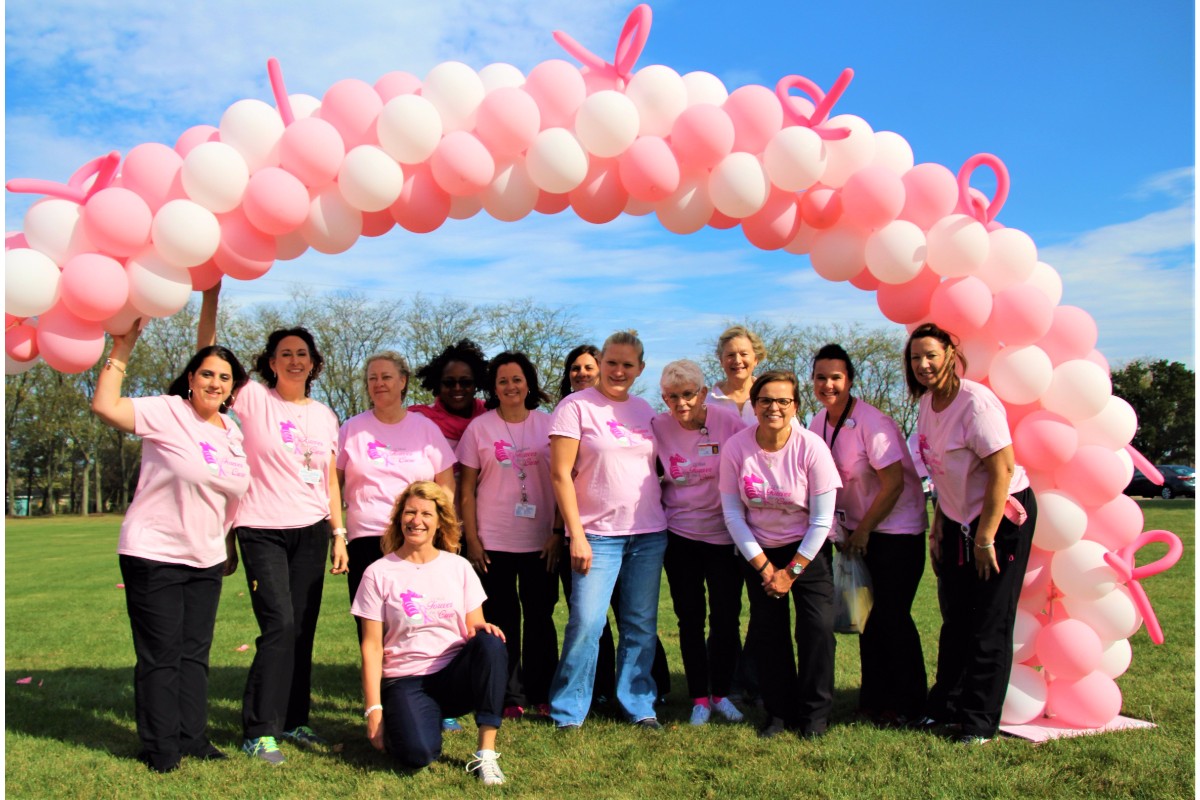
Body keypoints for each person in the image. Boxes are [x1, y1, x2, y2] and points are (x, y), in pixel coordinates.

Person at [199, 286, 348, 764]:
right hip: (261, 527)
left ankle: (295, 720)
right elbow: (207, 354)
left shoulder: (326, 415)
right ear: (270, 361)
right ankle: (259, 729)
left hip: (312, 530)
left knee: (302, 628)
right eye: (285, 353)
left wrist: (338, 532)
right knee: (279, 624)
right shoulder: (252, 398)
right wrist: (209, 302)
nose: (295, 360)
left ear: (314, 362)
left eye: (302, 353)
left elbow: (329, 477)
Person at [92, 323, 250, 772]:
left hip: (205, 557)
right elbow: (105, 405)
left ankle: (192, 737)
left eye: (223, 377)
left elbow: (228, 495)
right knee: (160, 654)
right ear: (190, 378)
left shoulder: (231, 431)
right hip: (154, 552)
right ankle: (160, 747)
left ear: (232, 387)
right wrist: (121, 350)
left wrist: (226, 546)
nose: (213, 383)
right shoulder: (167, 411)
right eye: (206, 374)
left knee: (195, 653)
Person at [905, 323, 1037, 745]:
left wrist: (985, 538)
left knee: (989, 621)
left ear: (949, 353)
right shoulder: (927, 403)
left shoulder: (977, 403)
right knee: (956, 618)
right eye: (915, 358)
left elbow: (1001, 469)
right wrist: (942, 523)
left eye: (931, 355)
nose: (923, 365)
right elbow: (942, 472)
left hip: (1001, 521)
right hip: (959, 520)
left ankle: (979, 722)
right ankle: (947, 705)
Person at [548, 330, 668, 729]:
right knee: (587, 621)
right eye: (612, 362)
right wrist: (576, 533)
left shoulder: (644, 409)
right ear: (601, 361)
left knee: (639, 624)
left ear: (640, 369)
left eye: (627, 365)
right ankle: (569, 708)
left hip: (648, 532)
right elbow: (560, 474)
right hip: (596, 534)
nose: (618, 371)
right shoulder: (574, 407)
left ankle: (638, 703)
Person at [353, 481, 510, 786]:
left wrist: (482, 630)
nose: (417, 520)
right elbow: (371, 647)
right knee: (417, 754)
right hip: (406, 680)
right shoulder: (378, 572)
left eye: (426, 513)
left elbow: (473, 627)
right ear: (400, 518)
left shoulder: (459, 567)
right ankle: (420, 719)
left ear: (439, 522)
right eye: (410, 512)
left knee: (491, 643)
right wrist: (374, 709)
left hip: (452, 675)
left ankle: (486, 753)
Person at [808, 344, 928, 726]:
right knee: (869, 622)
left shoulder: (872, 422)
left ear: (850, 381)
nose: (828, 385)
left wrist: (862, 531)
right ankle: (874, 702)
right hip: (855, 535)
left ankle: (909, 704)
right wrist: (840, 530)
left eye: (836, 377)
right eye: (821, 377)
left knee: (892, 618)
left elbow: (892, 485)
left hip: (895, 531)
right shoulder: (817, 422)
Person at [720, 370, 842, 739]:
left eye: (783, 401)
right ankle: (778, 712)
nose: (774, 407)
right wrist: (764, 566)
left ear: (795, 406)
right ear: (754, 406)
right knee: (768, 634)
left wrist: (790, 572)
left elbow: (822, 520)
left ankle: (815, 715)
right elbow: (732, 513)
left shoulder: (812, 448)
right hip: (758, 550)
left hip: (807, 549)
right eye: (766, 400)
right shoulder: (737, 448)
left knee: (817, 631)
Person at [458, 351, 559, 719]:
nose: (510, 386)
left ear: (528, 383)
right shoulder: (479, 429)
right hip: (493, 542)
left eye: (516, 379)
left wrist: (557, 533)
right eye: (502, 381)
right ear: (494, 387)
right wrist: (471, 539)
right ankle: (509, 695)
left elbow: (566, 482)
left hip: (541, 542)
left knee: (540, 619)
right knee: (502, 620)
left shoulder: (549, 424)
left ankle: (542, 690)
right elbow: (466, 490)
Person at [650, 360, 746, 726]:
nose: (682, 403)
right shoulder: (657, 426)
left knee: (725, 618)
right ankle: (699, 699)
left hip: (724, 537)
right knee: (690, 619)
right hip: (680, 537)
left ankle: (722, 693)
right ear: (664, 398)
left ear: (703, 393)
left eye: (689, 394)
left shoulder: (729, 423)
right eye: (673, 396)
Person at [337, 351, 456, 635]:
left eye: (386, 377)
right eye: (372, 378)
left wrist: (442, 530)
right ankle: (376, 678)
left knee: (413, 617)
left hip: (415, 537)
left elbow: (446, 486)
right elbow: (332, 482)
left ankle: (414, 676)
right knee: (370, 622)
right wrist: (337, 534)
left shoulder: (426, 429)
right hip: (367, 537)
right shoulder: (351, 429)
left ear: (403, 381)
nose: (379, 383)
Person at [409, 338, 489, 452]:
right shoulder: (419, 422)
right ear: (437, 385)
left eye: (465, 382)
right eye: (449, 383)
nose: (457, 388)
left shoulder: (492, 415)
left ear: (476, 384)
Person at [709, 325, 766, 426]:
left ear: (756, 359)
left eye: (744, 354)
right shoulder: (706, 402)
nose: (737, 361)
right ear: (721, 360)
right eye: (730, 355)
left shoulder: (771, 398)